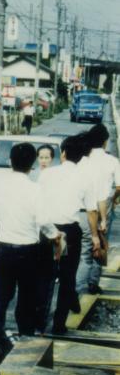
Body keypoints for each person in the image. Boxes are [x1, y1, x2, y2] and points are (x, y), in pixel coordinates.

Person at [0, 143, 61, 336]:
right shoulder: (35, 190)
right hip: (28, 251)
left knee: (1, 296)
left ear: (10, 162)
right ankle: (25, 336)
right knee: (27, 296)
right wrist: (55, 235)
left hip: (3, 249)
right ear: (32, 164)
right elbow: (43, 220)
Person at [38, 136, 100, 334]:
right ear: (81, 156)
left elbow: (36, 204)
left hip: (47, 230)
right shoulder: (85, 178)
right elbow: (91, 211)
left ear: (63, 153)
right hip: (71, 232)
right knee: (67, 278)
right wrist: (95, 236)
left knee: (44, 277)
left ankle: (39, 322)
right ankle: (58, 325)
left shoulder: (47, 174)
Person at [79, 124, 120, 294]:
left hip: (83, 210)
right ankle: (92, 283)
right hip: (104, 209)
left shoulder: (82, 160)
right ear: (105, 141)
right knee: (101, 245)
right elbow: (119, 187)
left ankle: (78, 288)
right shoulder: (112, 161)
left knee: (85, 250)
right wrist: (114, 199)